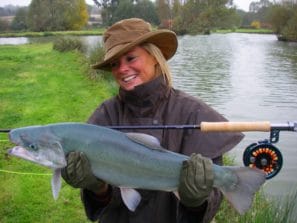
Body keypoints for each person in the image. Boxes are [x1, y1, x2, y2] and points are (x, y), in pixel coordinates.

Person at [61, 18, 243, 223]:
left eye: (130, 58)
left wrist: (196, 201)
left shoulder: (194, 113)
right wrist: (97, 188)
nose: (122, 69)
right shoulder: (105, 114)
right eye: (115, 63)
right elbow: (100, 203)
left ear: (155, 56)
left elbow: (210, 203)